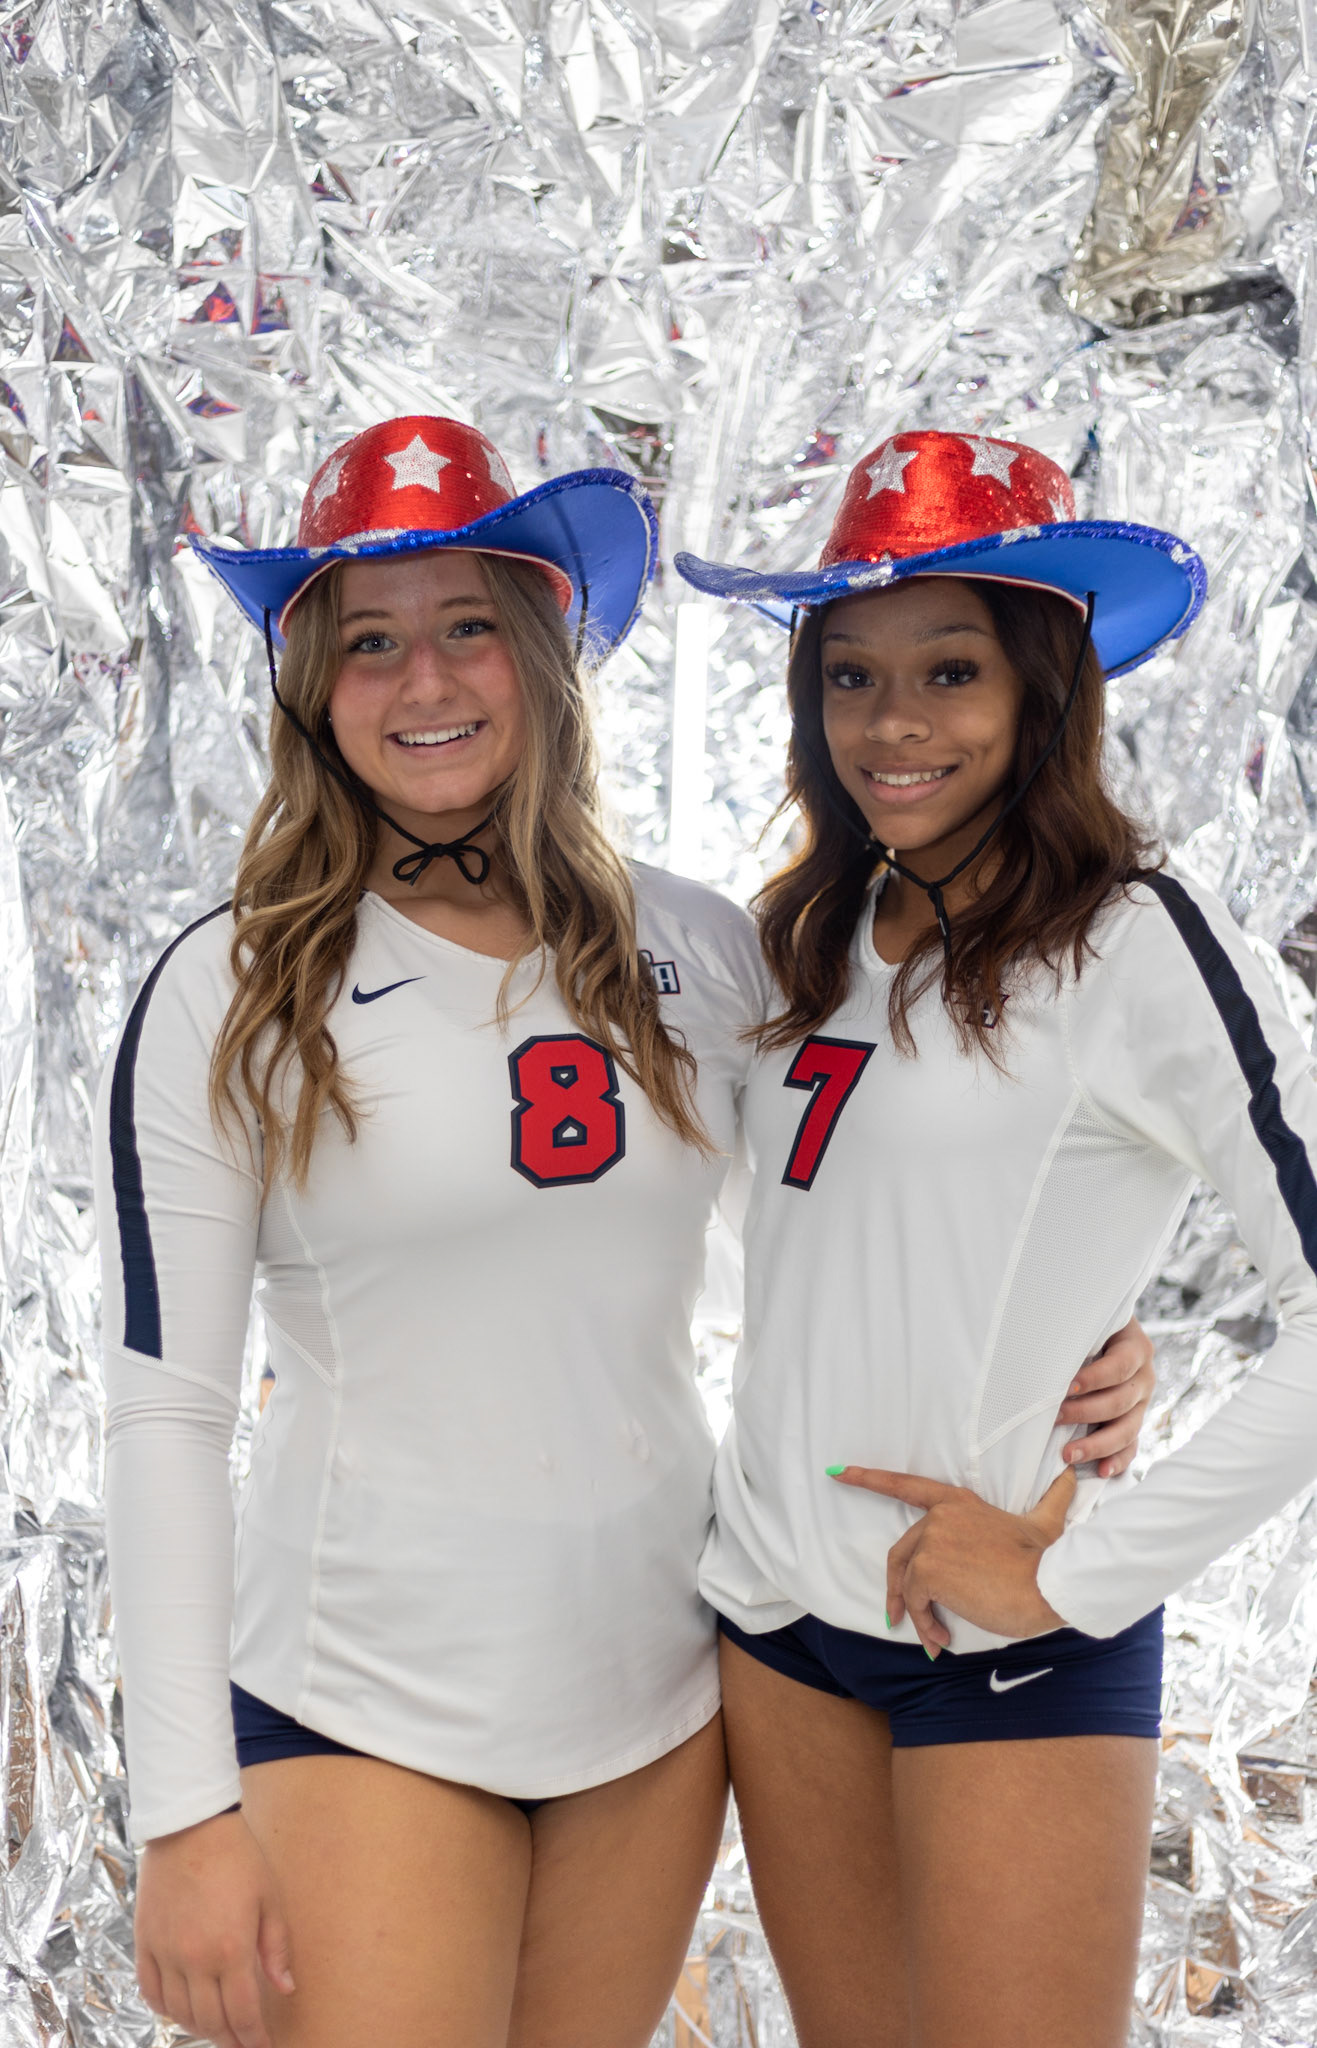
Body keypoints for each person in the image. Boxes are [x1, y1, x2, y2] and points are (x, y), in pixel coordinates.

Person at [96, 416, 1152, 2048]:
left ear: (540, 655)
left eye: (468, 629)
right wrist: (180, 1809)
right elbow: (166, 1408)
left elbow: (849, 1202)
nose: (425, 680)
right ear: (312, 688)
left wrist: (1077, 1337)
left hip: (657, 1704)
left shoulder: (703, 946)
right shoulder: (230, 988)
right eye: (369, 641)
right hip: (364, 1693)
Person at [676, 430, 1317, 2048]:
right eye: (850, 678)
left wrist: (1083, 1569)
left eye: (949, 672)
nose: (892, 726)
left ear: (1043, 687)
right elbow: (828, 1241)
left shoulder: (1132, 940)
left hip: (999, 1638)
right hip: (773, 1623)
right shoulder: (800, 939)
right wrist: (1084, 1332)